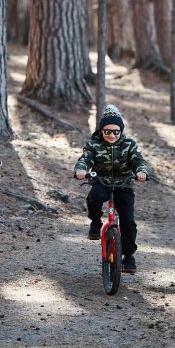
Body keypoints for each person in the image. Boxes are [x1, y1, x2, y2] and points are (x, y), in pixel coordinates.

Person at [73, 106, 151, 274]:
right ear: (101, 131)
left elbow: (138, 160)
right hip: (102, 180)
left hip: (124, 183)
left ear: (121, 131)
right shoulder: (94, 144)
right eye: (107, 131)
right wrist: (81, 170)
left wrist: (141, 171)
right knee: (94, 198)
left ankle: (128, 256)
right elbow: (85, 159)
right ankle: (95, 222)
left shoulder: (129, 144)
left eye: (116, 132)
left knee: (128, 221)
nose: (112, 135)